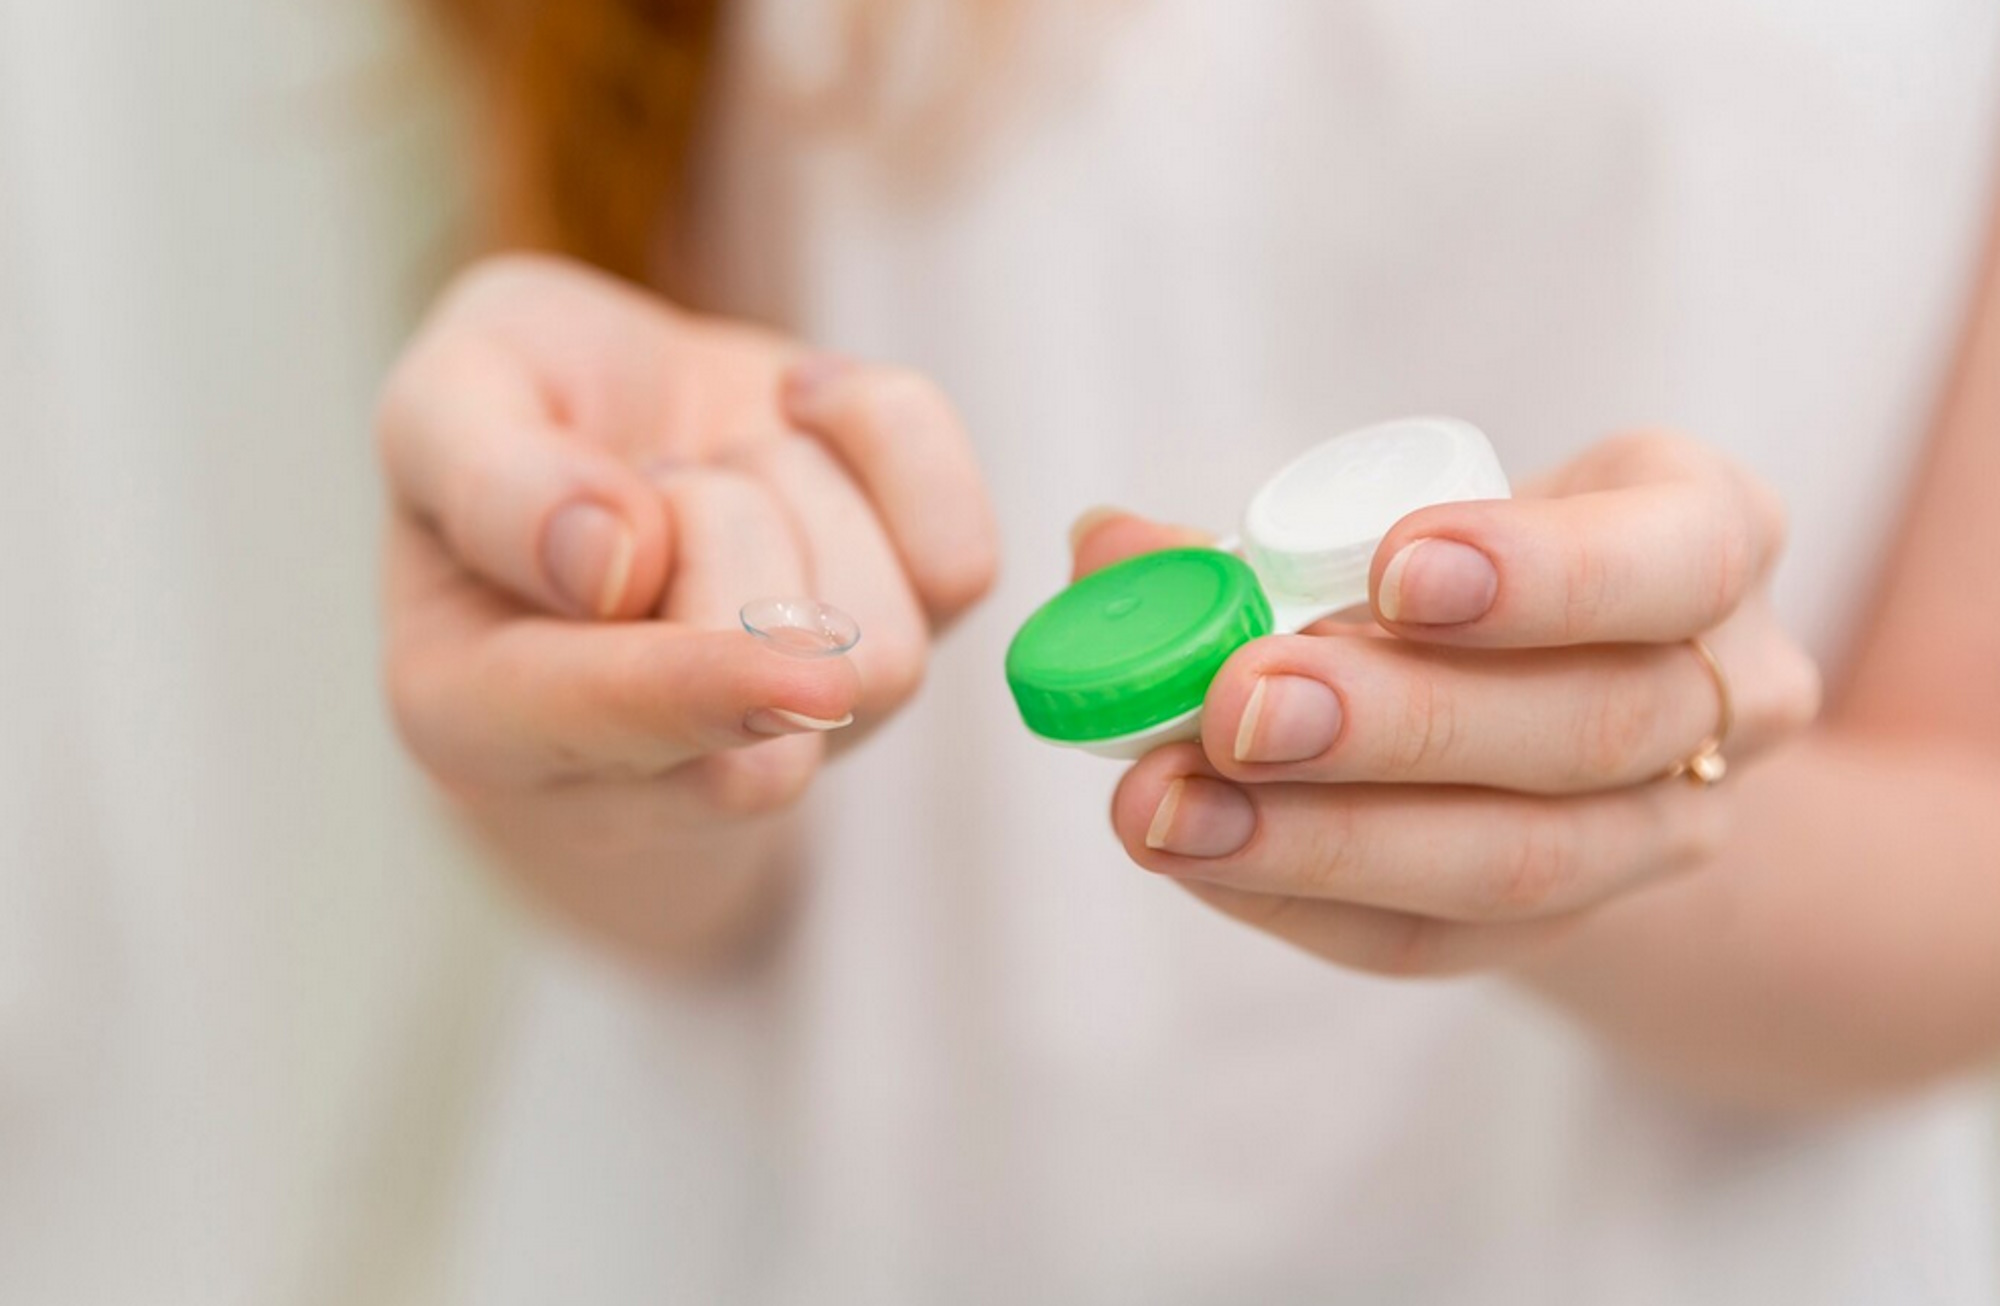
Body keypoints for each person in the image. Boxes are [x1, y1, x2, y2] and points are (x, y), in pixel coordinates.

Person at [379, 2, 2000, 1300]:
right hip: (810, 1214)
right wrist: (607, 688)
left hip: (1675, 1241)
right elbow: (667, 851)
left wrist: (1629, 806)